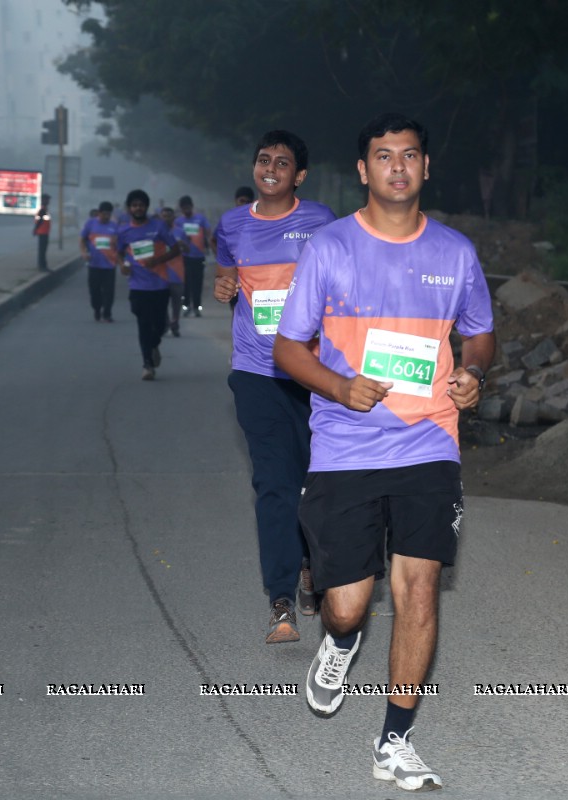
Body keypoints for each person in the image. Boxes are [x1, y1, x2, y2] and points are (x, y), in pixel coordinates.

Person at [272, 112, 494, 792]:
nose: (398, 166)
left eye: (410, 155)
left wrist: (473, 374)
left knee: (419, 587)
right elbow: (287, 347)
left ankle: (395, 740)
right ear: (364, 171)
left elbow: (480, 333)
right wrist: (340, 386)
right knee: (347, 603)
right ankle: (340, 643)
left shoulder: (455, 253)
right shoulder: (331, 249)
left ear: (426, 168)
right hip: (346, 446)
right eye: (383, 156)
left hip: (430, 440)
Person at [213, 130, 335, 643]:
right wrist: (222, 289)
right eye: (263, 159)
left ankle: (312, 565)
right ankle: (280, 598)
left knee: (315, 482)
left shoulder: (322, 223)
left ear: (298, 176)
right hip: (256, 373)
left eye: (281, 163)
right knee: (273, 484)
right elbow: (226, 279)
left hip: (312, 375)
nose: (270, 169)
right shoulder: (231, 224)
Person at [118, 189, 184, 380]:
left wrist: (158, 260)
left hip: (160, 284)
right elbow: (120, 252)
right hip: (138, 287)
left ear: (146, 207)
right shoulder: (124, 231)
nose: (138, 208)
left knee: (159, 326)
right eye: (134, 205)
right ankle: (147, 364)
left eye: (141, 205)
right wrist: (123, 265)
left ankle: (154, 344)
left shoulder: (159, 227)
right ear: (129, 208)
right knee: (143, 324)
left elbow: (176, 249)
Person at [79, 201, 119, 322]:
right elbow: (82, 239)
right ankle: (97, 309)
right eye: (104, 214)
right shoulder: (90, 224)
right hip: (94, 264)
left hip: (109, 265)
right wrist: (84, 253)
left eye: (108, 214)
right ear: (99, 213)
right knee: (94, 290)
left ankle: (107, 313)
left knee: (109, 291)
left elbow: (119, 244)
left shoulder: (114, 226)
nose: (106, 217)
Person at [176, 196, 211, 318]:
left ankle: (197, 307)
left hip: (198, 256)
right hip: (184, 257)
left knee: (197, 283)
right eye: (184, 208)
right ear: (181, 209)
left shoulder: (200, 219)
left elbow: (208, 232)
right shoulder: (179, 222)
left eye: (188, 207)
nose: (186, 210)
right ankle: (187, 306)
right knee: (186, 283)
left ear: (192, 206)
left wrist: (209, 244)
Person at [158, 206, 186, 337]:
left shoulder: (180, 232)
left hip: (177, 273)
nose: (166, 218)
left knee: (176, 302)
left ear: (173, 217)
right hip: (161, 274)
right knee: (161, 302)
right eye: (164, 216)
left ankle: (175, 323)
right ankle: (165, 324)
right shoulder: (155, 233)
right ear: (160, 217)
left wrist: (182, 244)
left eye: (169, 216)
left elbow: (188, 250)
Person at [33, 193, 52, 271]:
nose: (48, 201)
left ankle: (43, 266)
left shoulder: (44, 209)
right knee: (42, 250)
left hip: (44, 232)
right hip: (42, 232)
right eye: (47, 199)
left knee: (43, 250)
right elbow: (40, 221)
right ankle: (42, 266)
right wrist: (35, 230)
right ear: (44, 200)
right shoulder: (42, 210)